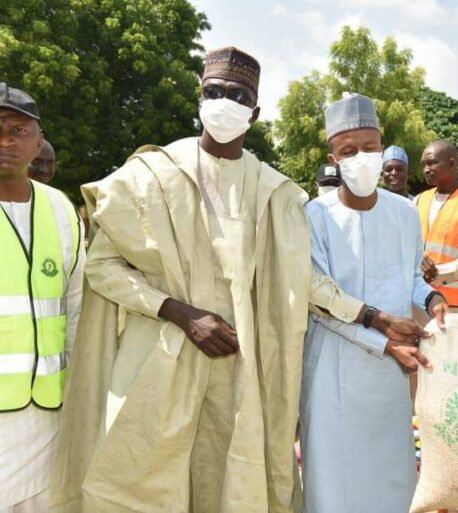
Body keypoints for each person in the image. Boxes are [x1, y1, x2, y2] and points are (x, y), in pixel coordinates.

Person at [49, 48, 425, 513]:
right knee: (144, 488)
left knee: (229, 488)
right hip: (158, 363)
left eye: (238, 94)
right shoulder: (149, 176)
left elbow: (301, 280)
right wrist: (180, 313)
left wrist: (372, 316)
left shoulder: (274, 192)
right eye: (215, 92)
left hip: (239, 368)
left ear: (255, 111)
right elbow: (104, 267)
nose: (225, 102)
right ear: (199, 98)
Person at [300, 93, 448, 513]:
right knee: (335, 487)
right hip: (333, 371)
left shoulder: (404, 212)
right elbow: (318, 299)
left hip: (389, 379)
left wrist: (433, 298)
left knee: (390, 483)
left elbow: (411, 279)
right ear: (333, 155)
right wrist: (383, 338)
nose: (360, 157)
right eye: (349, 150)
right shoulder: (314, 216)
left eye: (369, 147)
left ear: (382, 148)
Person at [0, 84, 84, 512]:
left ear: (38, 138)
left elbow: (77, 310)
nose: (5, 141)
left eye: (17, 129)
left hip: (50, 413)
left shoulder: (61, 209)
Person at [415, 140, 458, 309]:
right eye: (424, 165)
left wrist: (438, 274)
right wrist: (418, 262)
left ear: (452, 163)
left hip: (455, 304)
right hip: (421, 301)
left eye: (432, 163)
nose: (426, 169)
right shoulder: (419, 200)